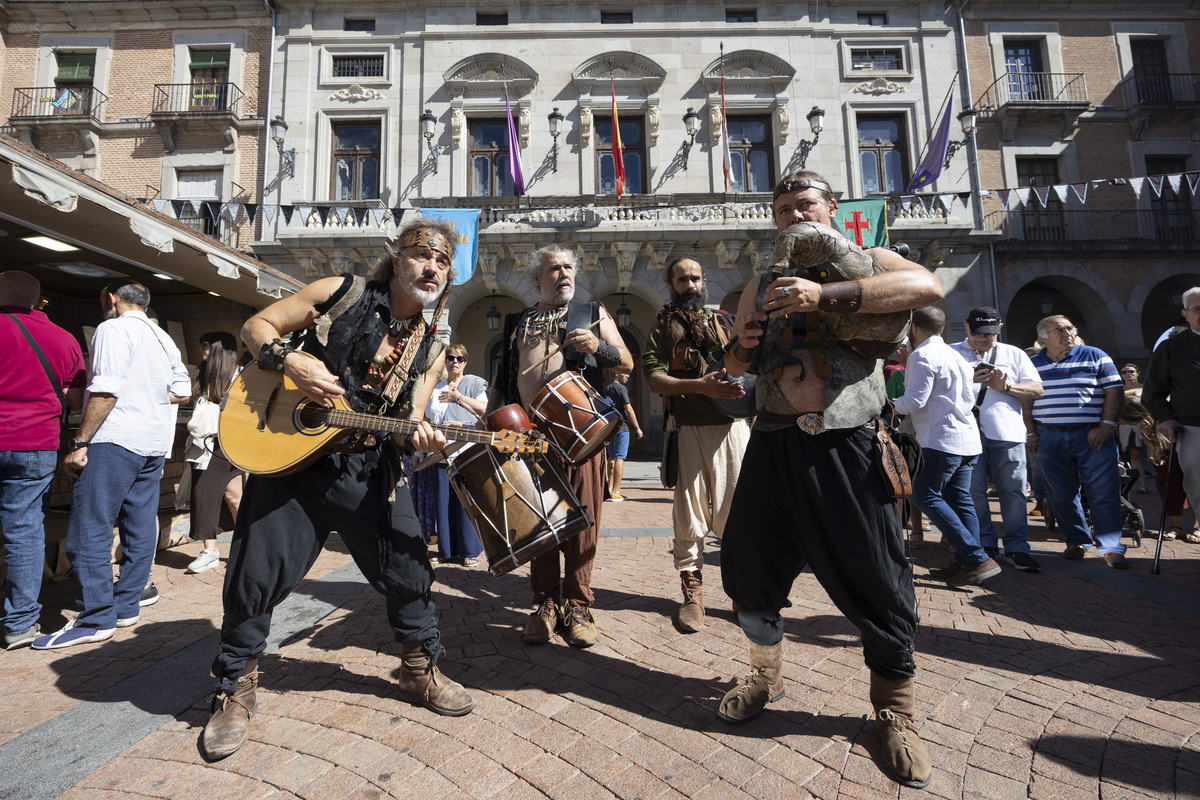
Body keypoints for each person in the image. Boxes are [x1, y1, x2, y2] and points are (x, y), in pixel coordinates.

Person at [199, 219, 475, 761]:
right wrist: (290, 361)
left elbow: (411, 416)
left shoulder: (432, 345)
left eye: (442, 262)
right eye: (423, 256)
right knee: (255, 571)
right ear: (397, 260)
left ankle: (418, 669)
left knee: (409, 564)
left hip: (366, 469)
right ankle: (234, 687)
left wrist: (420, 434)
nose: (433, 268)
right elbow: (257, 327)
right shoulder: (340, 292)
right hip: (292, 462)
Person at [719, 171, 943, 789]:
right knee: (748, 565)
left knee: (875, 572)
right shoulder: (759, 283)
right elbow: (736, 363)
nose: (794, 215)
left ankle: (895, 710)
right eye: (783, 208)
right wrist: (742, 345)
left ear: (833, 209)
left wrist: (825, 297)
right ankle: (765, 673)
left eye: (805, 205)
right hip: (771, 440)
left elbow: (925, 287)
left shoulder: (870, 260)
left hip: (848, 441)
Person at [32, 280, 191, 650]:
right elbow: (183, 390)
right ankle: (126, 604)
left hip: (115, 437)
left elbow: (105, 388)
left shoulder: (111, 328)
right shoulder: (162, 336)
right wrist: (147, 394)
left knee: (89, 529)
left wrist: (81, 441)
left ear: (112, 299)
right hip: (152, 443)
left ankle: (95, 618)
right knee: (138, 523)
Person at [489, 244, 633, 648]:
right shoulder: (518, 320)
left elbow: (626, 363)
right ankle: (547, 604)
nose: (564, 273)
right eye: (554, 268)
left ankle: (578, 603)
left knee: (584, 518)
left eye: (569, 266)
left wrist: (597, 347)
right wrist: (491, 420)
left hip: (582, 434)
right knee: (542, 521)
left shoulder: (592, 312)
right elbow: (504, 377)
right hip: (531, 437)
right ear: (537, 278)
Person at [642, 255, 749, 632]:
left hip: (735, 428)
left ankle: (742, 592)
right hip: (687, 427)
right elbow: (654, 379)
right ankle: (693, 594)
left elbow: (747, 364)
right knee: (688, 515)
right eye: (682, 279)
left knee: (739, 516)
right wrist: (700, 386)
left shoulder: (725, 321)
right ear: (670, 284)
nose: (690, 284)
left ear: (705, 281)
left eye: (696, 278)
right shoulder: (662, 328)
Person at [0, 272, 85, 650]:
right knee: (24, 531)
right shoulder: (64, 338)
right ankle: (19, 624)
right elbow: (75, 400)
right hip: (35, 444)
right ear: (38, 301)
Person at [894, 306, 999, 586]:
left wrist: (886, 405)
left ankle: (976, 557)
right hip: (966, 439)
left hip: (941, 439)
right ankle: (967, 562)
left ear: (913, 328)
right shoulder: (957, 355)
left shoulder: (922, 354)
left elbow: (915, 400)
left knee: (923, 495)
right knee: (959, 498)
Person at [1023, 315, 1128, 567]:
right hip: (1050, 436)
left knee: (1104, 492)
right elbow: (1026, 400)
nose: (1067, 332)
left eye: (1070, 328)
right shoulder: (1031, 364)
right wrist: (1031, 433)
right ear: (1043, 338)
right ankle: (1077, 540)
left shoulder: (1095, 355)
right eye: (1059, 329)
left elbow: (1115, 390)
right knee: (1060, 495)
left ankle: (1112, 547)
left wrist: (1106, 426)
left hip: (1092, 435)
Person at [950, 306, 1044, 572]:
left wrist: (1008, 387)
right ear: (966, 328)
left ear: (999, 329)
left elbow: (1037, 389)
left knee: (1014, 491)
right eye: (979, 332)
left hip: (1008, 432)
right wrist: (970, 381)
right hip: (966, 432)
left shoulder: (1012, 353)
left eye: (990, 333)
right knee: (974, 492)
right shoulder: (950, 352)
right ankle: (985, 545)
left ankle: (1017, 547)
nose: (984, 338)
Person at [184, 332, 246, 574]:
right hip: (205, 442)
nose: (202, 351)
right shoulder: (204, 372)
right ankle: (209, 550)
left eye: (206, 346)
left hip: (230, 441)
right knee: (216, 494)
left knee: (231, 495)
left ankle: (242, 547)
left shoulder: (241, 374)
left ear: (219, 348)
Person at [1143, 286, 1200, 543]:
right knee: (1198, 488)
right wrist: (1166, 419)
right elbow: (1152, 393)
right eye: (1198, 309)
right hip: (1192, 430)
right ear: (1186, 314)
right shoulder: (1171, 348)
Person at [425, 343, 488, 566]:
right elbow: (429, 420)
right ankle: (447, 551)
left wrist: (458, 398)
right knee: (443, 503)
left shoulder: (473, 383)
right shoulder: (435, 388)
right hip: (442, 452)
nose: (455, 362)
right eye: (451, 357)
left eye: (460, 358)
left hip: (466, 452)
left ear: (465, 362)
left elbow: (483, 409)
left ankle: (470, 551)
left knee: (466, 503)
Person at [603, 370, 642, 502]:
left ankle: (609, 489)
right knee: (620, 458)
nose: (628, 376)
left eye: (629, 374)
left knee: (612, 458)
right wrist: (637, 428)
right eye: (624, 373)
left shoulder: (608, 388)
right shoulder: (621, 388)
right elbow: (628, 408)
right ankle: (615, 492)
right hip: (621, 427)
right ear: (616, 373)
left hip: (610, 427)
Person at [1117, 363, 1148, 494]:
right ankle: (1142, 484)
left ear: (1137, 373)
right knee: (1135, 454)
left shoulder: (1146, 388)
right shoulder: (1119, 390)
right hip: (1128, 426)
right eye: (1124, 372)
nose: (1127, 374)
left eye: (1130, 371)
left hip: (1149, 424)